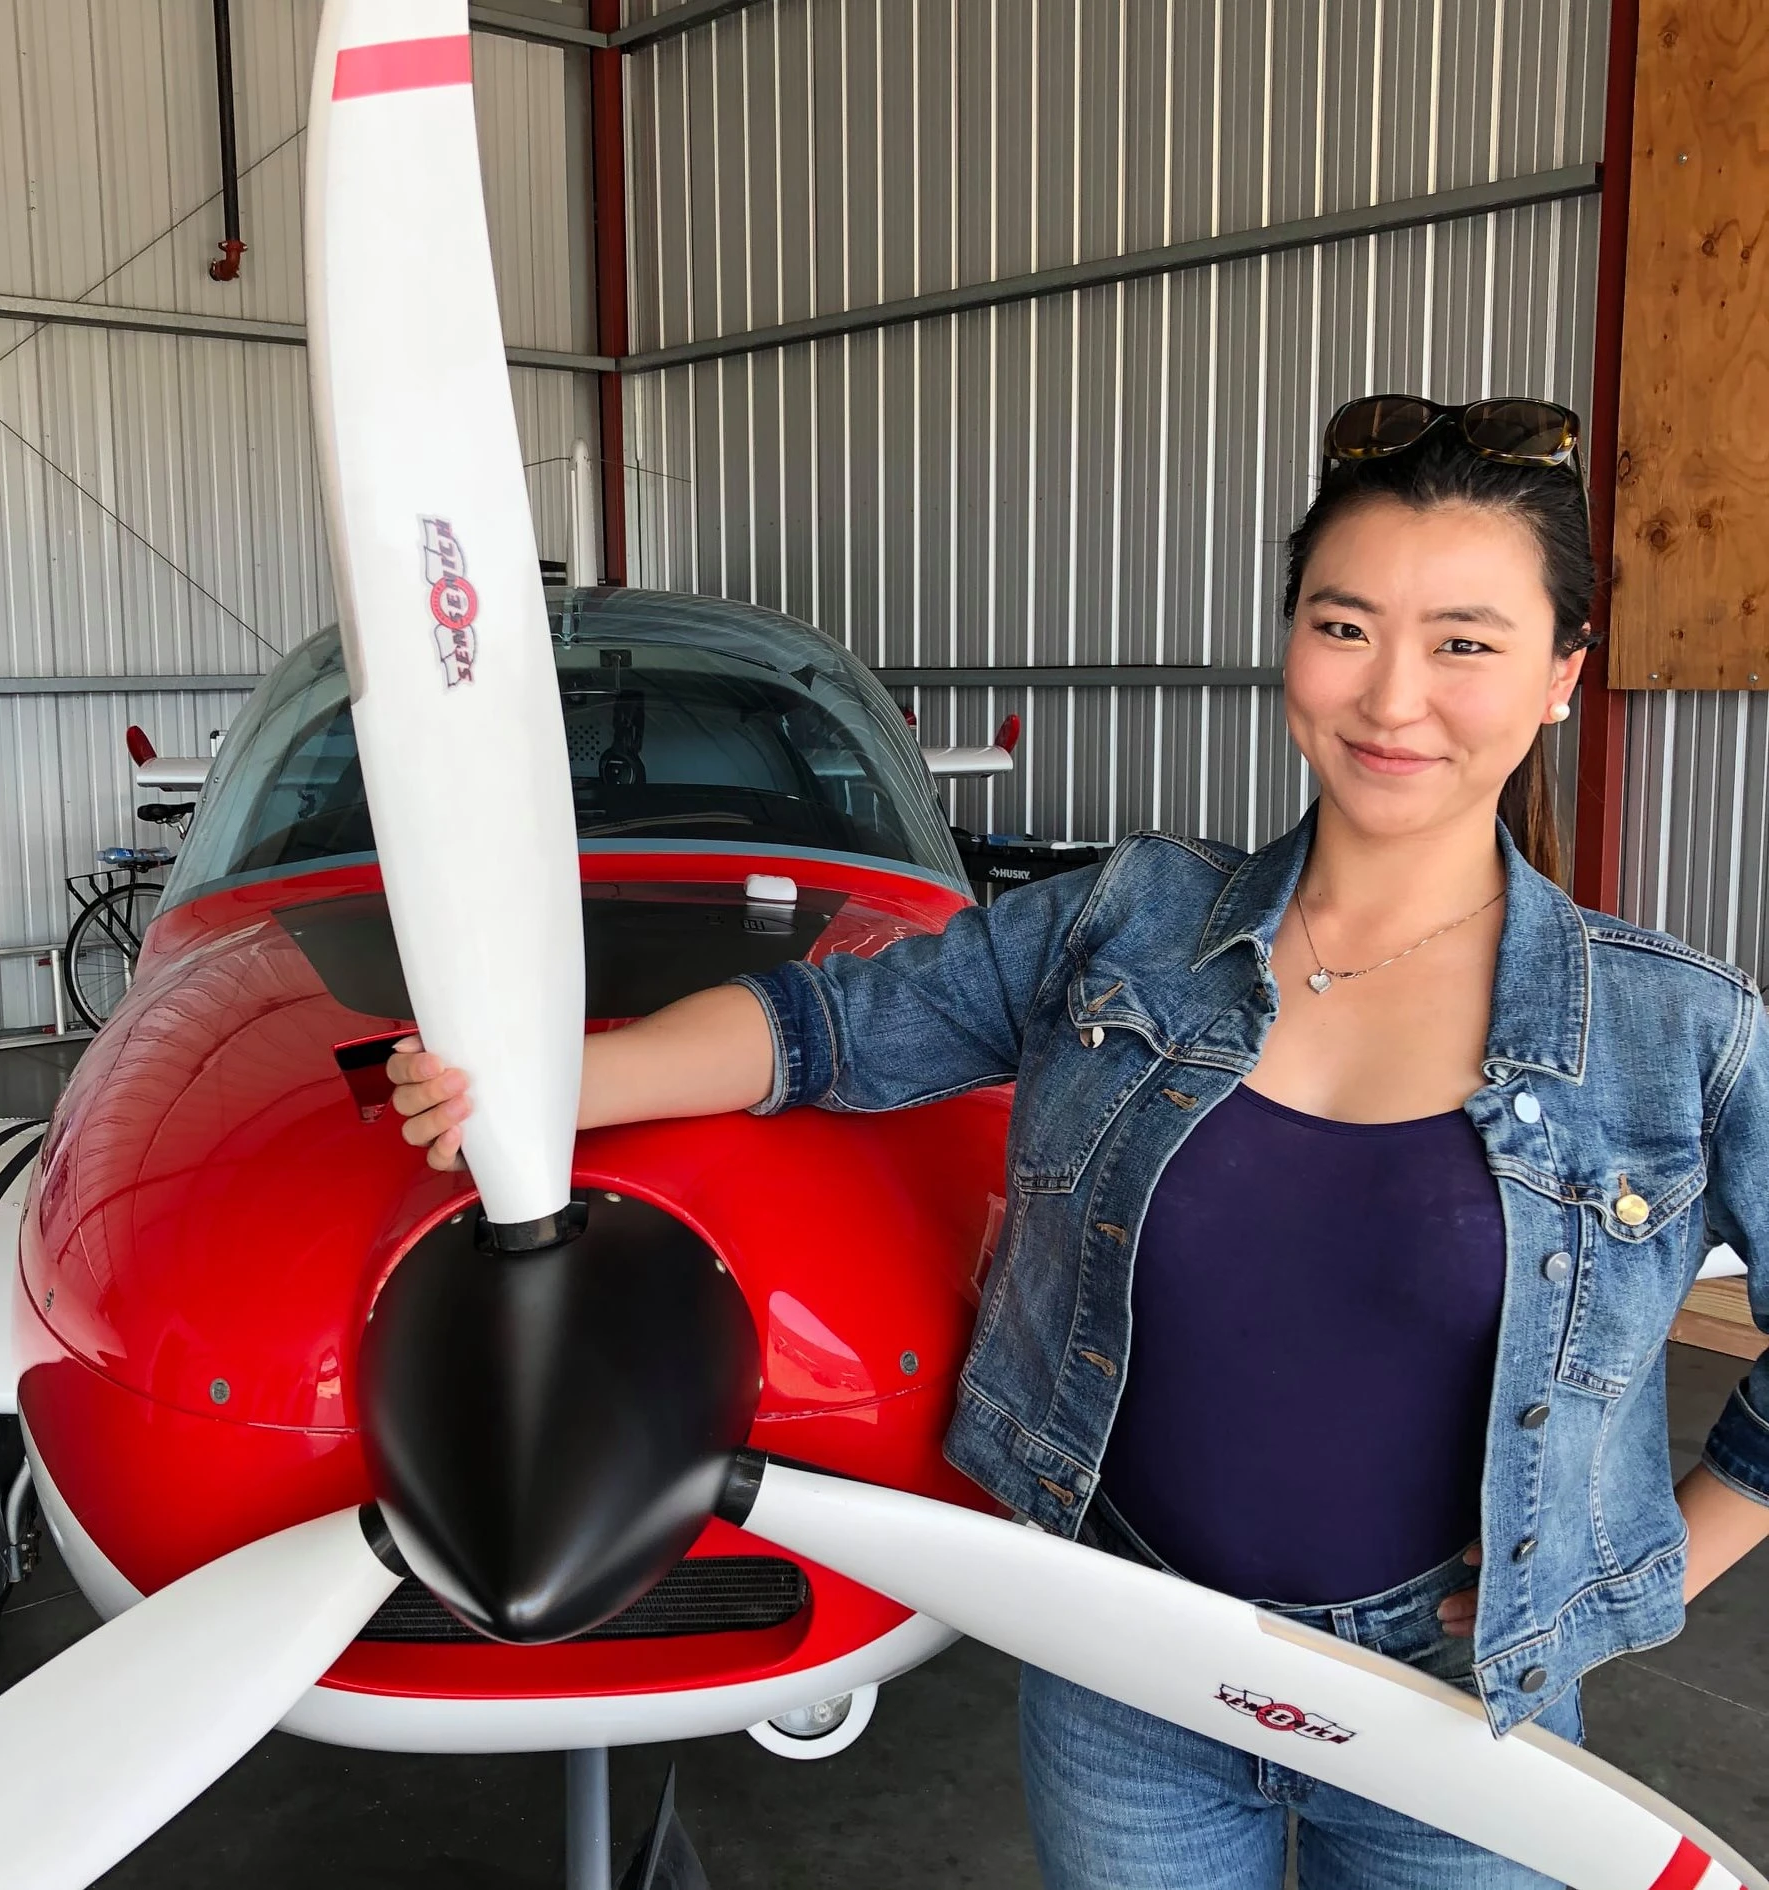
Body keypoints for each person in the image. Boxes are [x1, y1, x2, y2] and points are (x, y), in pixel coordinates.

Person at [386, 396, 1769, 1889]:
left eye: (1465, 643)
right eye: (1344, 625)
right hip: (1127, 1661)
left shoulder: (1675, 1028)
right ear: (1290, 643)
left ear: (1561, 676)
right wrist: (542, 1089)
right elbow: (829, 1028)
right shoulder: (1126, 924)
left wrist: (1631, 1577)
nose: (1391, 697)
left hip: (1457, 1707)